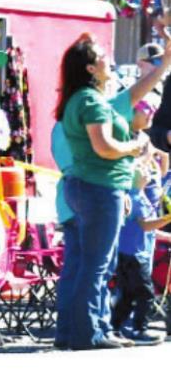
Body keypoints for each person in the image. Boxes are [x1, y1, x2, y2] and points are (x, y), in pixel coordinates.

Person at [52, 34, 152, 351]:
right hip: (98, 188)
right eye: (103, 56)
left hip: (88, 188)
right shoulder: (91, 102)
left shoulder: (82, 99)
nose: (109, 58)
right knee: (96, 266)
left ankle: (75, 332)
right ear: (92, 69)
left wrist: (164, 65)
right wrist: (134, 147)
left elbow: (134, 93)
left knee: (87, 265)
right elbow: (105, 148)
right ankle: (88, 334)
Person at [110, 97, 171, 344]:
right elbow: (146, 225)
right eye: (143, 171)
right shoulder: (134, 199)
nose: (148, 173)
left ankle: (116, 325)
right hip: (132, 256)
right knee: (145, 294)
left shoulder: (141, 196)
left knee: (127, 294)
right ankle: (139, 328)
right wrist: (168, 218)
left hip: (136, 253)